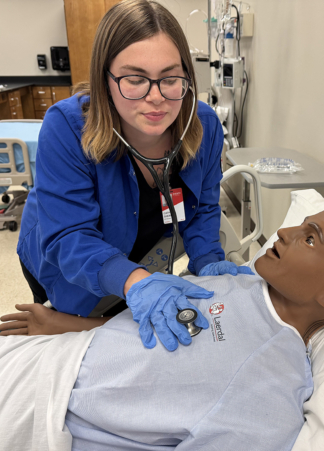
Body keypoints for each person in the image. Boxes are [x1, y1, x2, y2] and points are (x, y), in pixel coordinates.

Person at [1, 208, 324, 450]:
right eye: (302, 223)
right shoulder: (241, 281)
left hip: (47, 411)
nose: (284, 230)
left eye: (310, 238)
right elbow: (152, 325)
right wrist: (65, 326)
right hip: (56, 352)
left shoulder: (271, 386)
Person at [15, 0, 251, 352]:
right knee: (81, 316)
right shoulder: (67, 126)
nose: (156, 98)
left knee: (135, 314)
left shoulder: (204, 125)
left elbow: (201, 210)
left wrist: (208, 261)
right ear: (105, 79)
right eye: (135, 79)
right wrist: (131, 283)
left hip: (147, 246)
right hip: (68, 255)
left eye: (170, 79)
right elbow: (69, 236)